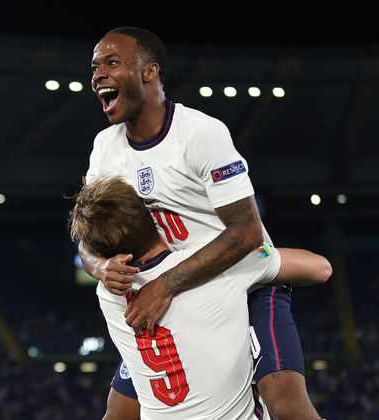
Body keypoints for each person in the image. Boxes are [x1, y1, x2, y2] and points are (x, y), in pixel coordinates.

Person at [80, 26, 329, 419]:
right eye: (95, 67)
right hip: (172, 302)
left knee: (287, 405)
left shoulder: (199, 134)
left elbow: (246, 233)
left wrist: (165, 284)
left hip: (241, 285)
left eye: (112, 62)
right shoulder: (104, 148)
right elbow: (88, 234)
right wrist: (101, 266)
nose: (98, 74)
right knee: (119, 412)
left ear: (150, 71)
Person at [70, 176, 329, 419]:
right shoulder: (216, 267)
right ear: (151, 215)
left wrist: (100, 266)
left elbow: (88, 254)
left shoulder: (106, 294)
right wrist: (258, 262)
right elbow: (320, 268)